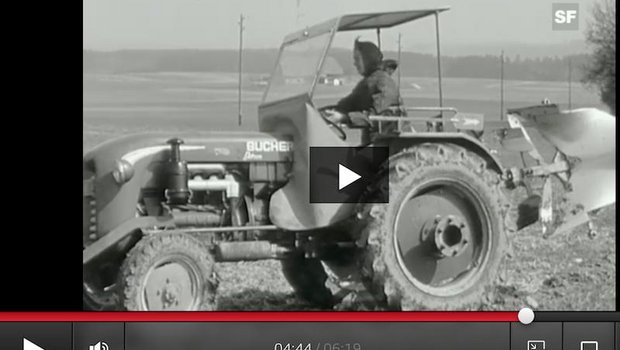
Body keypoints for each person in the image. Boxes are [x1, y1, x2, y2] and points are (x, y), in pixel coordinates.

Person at [324, 39, 399, 124]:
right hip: (376, 136)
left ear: (368, 59)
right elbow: (349, 103)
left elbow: (380, 116)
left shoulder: (384, 82)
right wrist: (326, 112)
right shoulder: (368, 82)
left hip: (389, 136)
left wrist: (345, 117)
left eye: (357, 59)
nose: (355, 63)